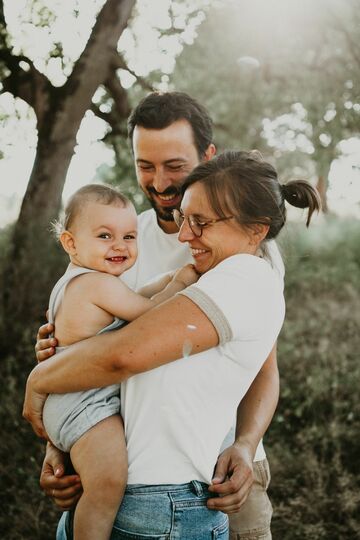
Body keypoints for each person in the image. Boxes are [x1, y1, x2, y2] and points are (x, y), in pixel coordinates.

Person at [24, 149, 320, 539]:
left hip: (162, 501)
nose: (184, 235)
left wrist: (40, 382)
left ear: (256, 230)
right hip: (122, 480)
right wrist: (66, 434)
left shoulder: (244, 277)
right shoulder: (209, 269)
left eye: (200, 222)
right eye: (184, 218)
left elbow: (120, 356)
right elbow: (107, 347)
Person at [41, 183, 198, 540]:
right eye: (104, 235)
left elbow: (136, 296)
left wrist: (168, 278)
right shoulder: (97, 285)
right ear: (70, 243)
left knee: (91, 482)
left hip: (71, 394)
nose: (120, 245)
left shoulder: (79, 282)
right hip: (84, 400)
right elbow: (147, 313)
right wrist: (183, 282)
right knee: (108, 481)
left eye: (129, 236)